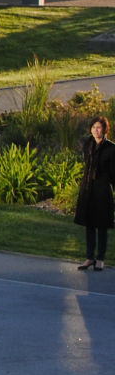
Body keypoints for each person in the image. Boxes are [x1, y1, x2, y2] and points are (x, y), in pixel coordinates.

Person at [77, 116, 115, 271]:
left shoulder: (111, 148)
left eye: (99, 127)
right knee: (89, 224)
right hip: (88, 188)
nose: (95, 130)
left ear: (105, 129)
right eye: (93, 127)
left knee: (102, 225)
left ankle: (100, 258)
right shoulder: (88, 144)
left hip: (103, 189)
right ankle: (89, 257)